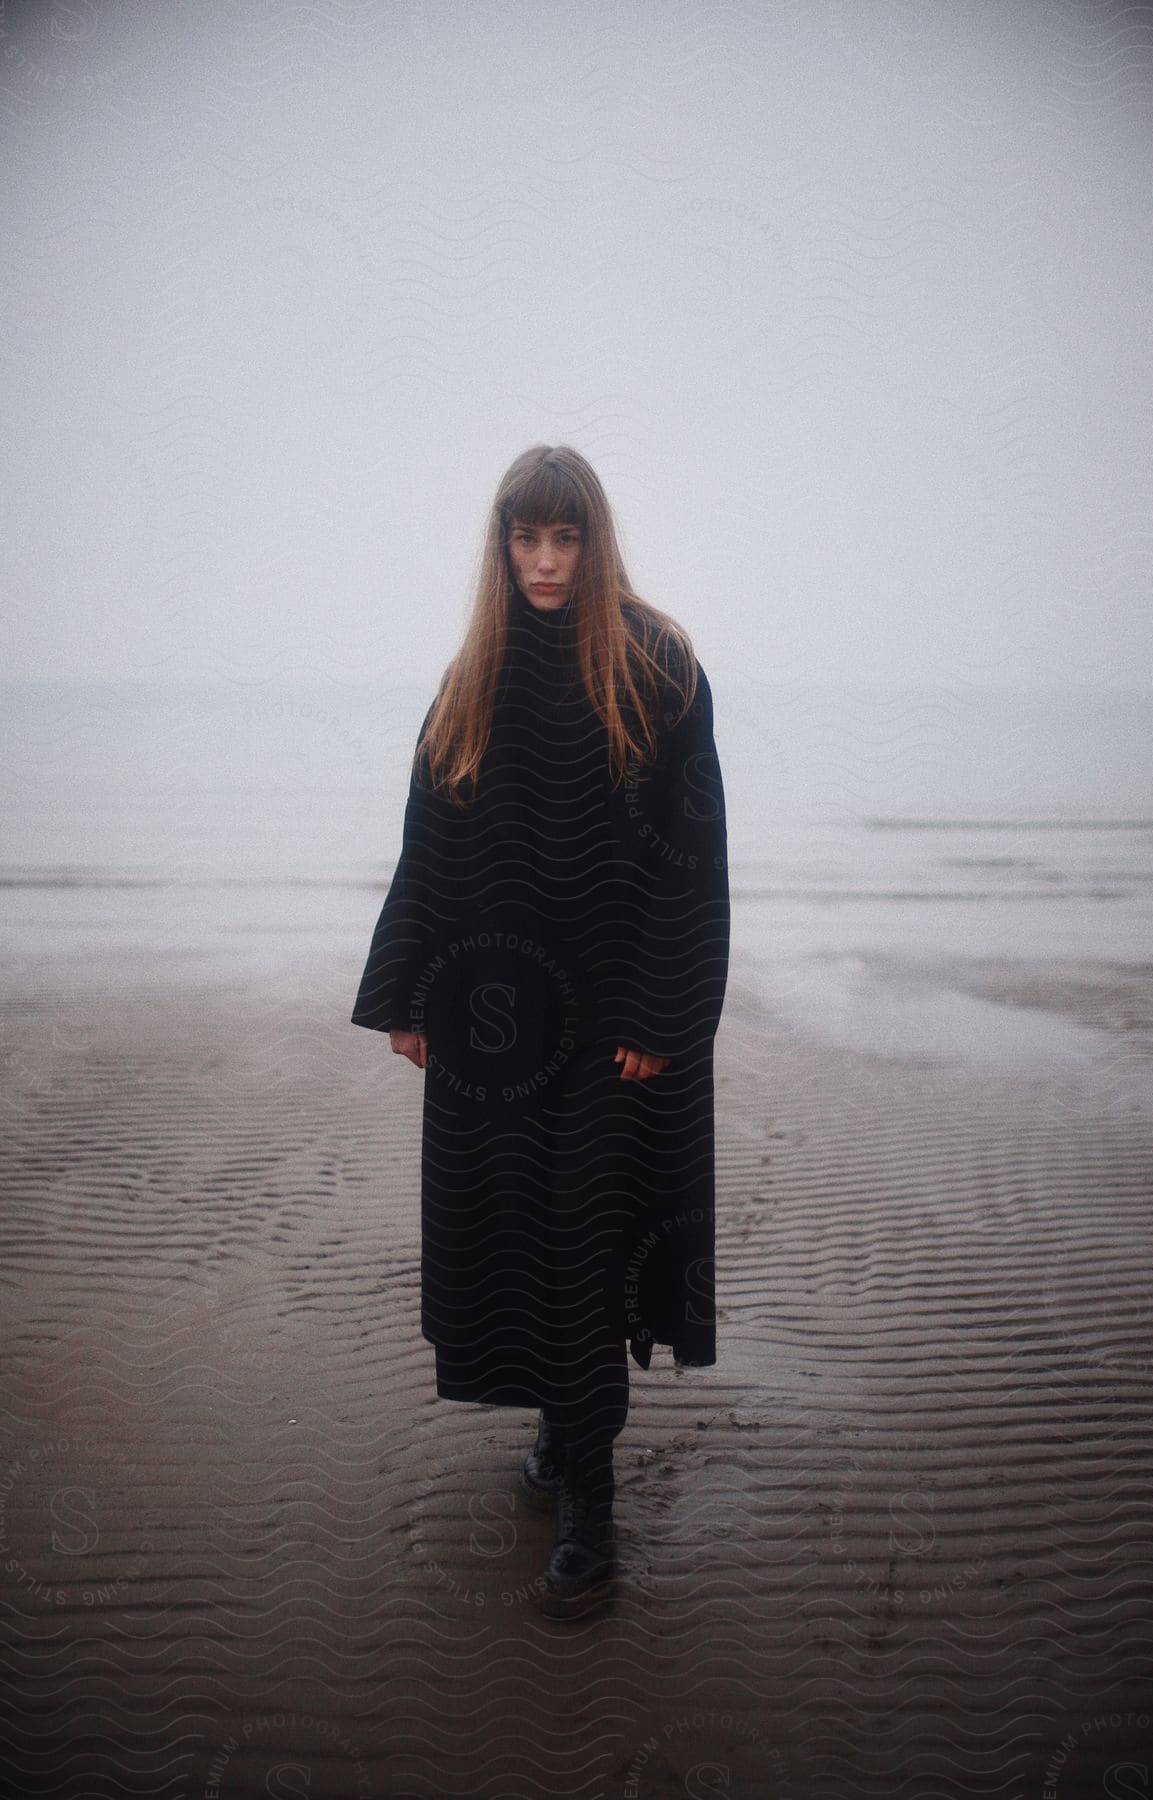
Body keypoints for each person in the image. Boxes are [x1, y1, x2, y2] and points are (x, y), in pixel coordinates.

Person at [351, 444, 730, 1618]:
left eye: (567, 539)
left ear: (594, 539)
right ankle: (565, 1438)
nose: (548, 562)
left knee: (584, 1245)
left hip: (618, 1026)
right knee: (520, 1239)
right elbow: (431, 841)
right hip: (498, 1021)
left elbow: (695, 853)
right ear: (503, 544)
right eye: (528, 538)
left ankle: (593, 1509)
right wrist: (409, 995)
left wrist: (662, 1015)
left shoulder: (658, 664)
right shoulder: (477, 671)